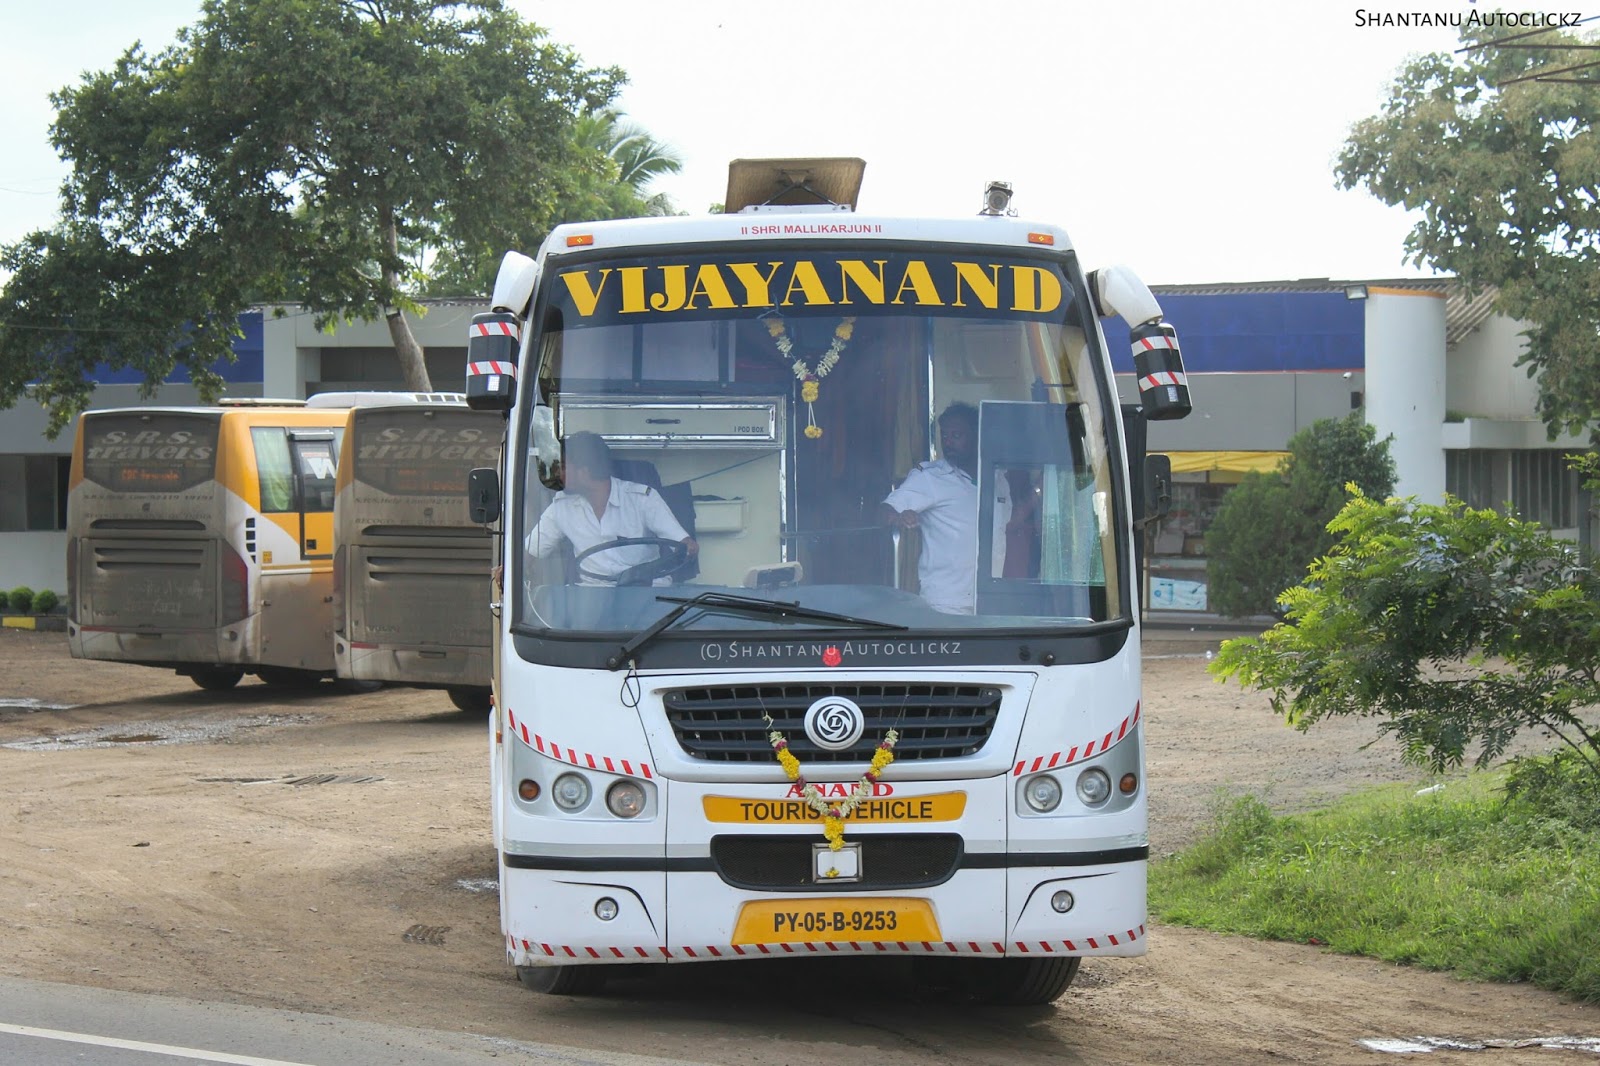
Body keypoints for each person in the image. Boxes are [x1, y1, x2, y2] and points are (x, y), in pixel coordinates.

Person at [527, 432, 697, 585]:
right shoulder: (561, 506)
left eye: (563, 467)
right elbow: (531, 550)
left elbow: (682, 543)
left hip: (646, 590)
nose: (557, 473)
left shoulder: (643, 498)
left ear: (584, 472)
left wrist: (688, 546)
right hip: (591, 599)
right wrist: (507, 568)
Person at [880, 402, 979, 614]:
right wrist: (899, 518)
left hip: (991, 603)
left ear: (976, 436)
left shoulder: (998, 479)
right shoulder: (930, 477)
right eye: (945, 436)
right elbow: (887, 510)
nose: (948, 442)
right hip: (947, 604)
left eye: (957, 435)